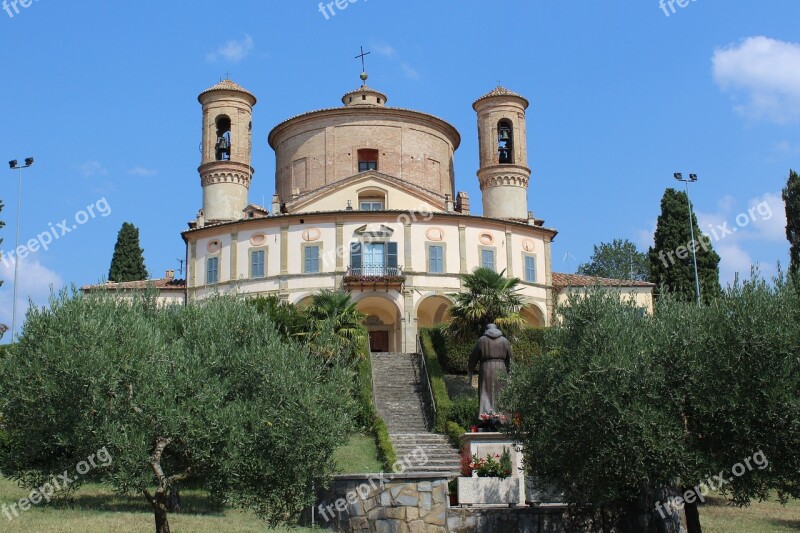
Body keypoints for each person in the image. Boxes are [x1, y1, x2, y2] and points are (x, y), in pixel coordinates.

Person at [467, 323, 512, 417]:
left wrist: (470, 369)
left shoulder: (482, 340)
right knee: (501, 392)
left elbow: (473, 357)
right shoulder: (504, 340)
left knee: (485, 392)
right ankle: (502, 417)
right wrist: (509, 370)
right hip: (501, 369)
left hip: (486, 368)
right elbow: (510, 358)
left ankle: (485, 416)